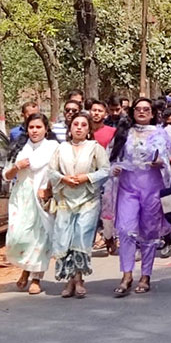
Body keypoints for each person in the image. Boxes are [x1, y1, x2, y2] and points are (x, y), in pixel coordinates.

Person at [110, 98, 171, 296]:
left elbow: (170, 161)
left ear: (153, 113)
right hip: (128, 188)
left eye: (147, 109)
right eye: (138, 109)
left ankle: (145, 275)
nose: (142, 112)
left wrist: (161, 162)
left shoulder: (161, 134)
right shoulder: (123, 133)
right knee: (125, 230)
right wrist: (115, 169)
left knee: (149, 232)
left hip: (152, 188)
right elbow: (111, 158)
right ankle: (126, 274)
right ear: (133, 112)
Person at [49, 112, 110, 298]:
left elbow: (105, 170)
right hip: (65, 200)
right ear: (70, 128)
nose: (79, 128)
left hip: (88, 200)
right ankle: (69, 281)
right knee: (65, 239)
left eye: (84, 125)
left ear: (89, 129)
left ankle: (79, 279)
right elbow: (52, 171)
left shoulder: (95, 148)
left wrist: (87, 177)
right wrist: (63, 179)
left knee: (81, 238)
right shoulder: (61, 148)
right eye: (76, 124)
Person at [4, 113, 59, 295]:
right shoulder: (20, 148)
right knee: (19, 237)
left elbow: (58, 173)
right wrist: (17, 167)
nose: (34, 131)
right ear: (26, 129)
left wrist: (49, 190)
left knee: (40, 238)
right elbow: (6, 175)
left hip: (41, 196)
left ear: (46, 129)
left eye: (38, 127)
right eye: (31, 127)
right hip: (21, 197)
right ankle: (26, 268)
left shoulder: (53, 148)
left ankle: (36, 277)